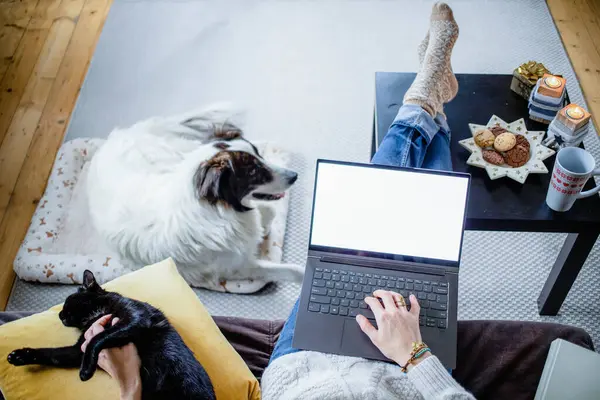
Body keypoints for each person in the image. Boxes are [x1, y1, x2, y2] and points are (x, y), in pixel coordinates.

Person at [83, 3, 475, 399]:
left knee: (358, 233)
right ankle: (428, 100)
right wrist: (414, 354)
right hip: (397, 372)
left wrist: (131, 386)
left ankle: (427, 100)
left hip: (298, 368)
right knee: (417, 246)